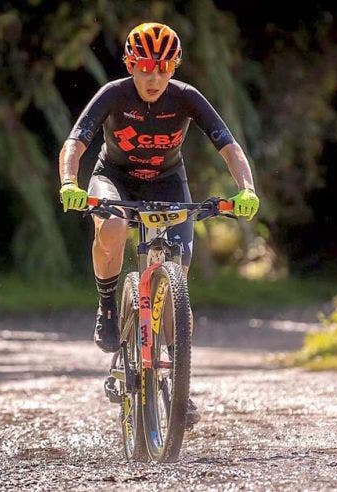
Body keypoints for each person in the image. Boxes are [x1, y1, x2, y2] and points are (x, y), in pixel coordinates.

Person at [57, 22, 260, 421]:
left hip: (169, 183)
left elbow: (229, 146)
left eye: (164, 69)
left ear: (175, 67)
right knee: (113, 227)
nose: (155, 78)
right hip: (113, 178)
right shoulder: (114, 94)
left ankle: (176, 386)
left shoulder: (186, 98)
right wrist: (69, 181)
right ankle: (108, 307)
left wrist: (247, 188)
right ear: (131, 64)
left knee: (176, 280)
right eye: (146, 68)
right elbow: (75, 142)